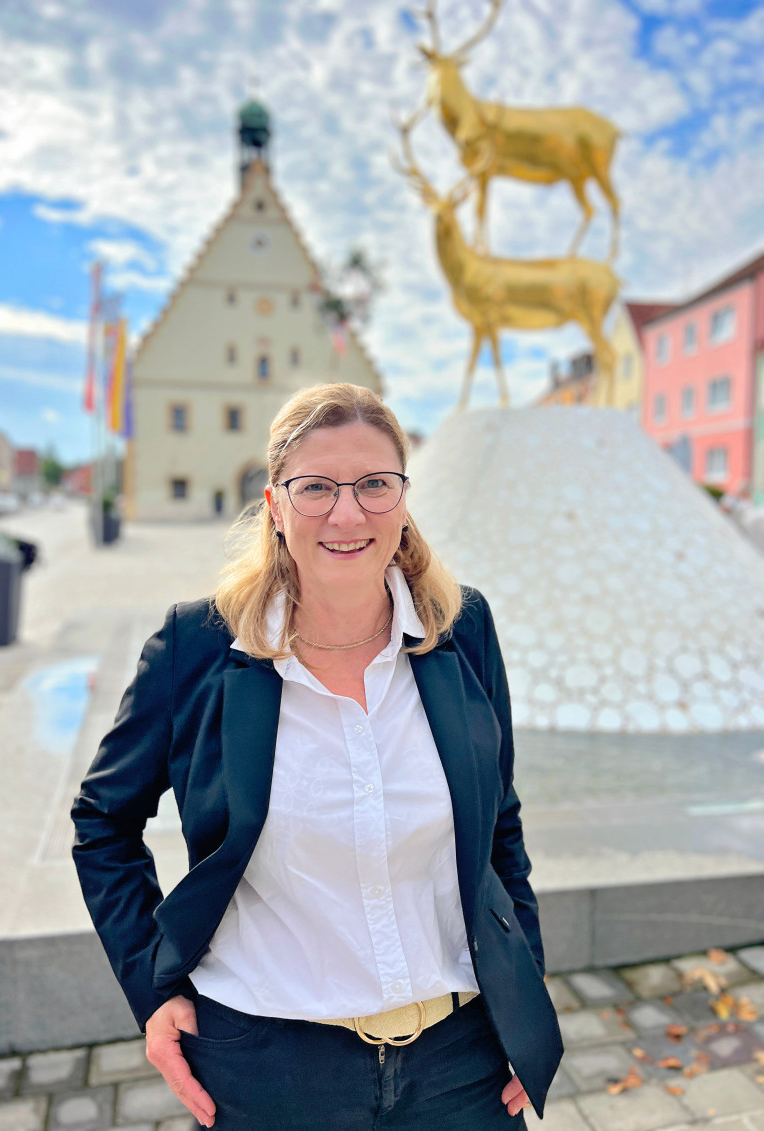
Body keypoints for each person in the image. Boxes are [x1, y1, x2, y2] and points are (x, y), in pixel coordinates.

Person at [72, 383, 563, 1129]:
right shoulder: (197, 647)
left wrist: (524, 985)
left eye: (374, 484)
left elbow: (500, 822)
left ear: (402, 498)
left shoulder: (461, 628)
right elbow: (104, 821)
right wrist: (153, 988)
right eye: (316, 488)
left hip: (463, 1063)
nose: (347, 513)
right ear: (275, 504)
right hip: (267, 1068)